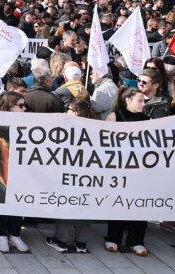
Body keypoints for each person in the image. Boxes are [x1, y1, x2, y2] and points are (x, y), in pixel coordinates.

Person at [104, 87, 149, 256]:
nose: (143, 104)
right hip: (118, 170)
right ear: (128, 100)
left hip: (140, 171)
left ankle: (136, 240)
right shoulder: (114, 117)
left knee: (139, 205)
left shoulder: (147, 119)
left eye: (144, 101)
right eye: (140, 100)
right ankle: (113, 238)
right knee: (117, 203)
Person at [45, 99, 93, 253]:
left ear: (76, 112)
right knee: (84, 205)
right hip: (88, 176)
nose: (66, 111)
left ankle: (61, 240)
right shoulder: (95, 128)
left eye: (69, 108)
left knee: (66, 203)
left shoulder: (66, 127)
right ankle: (81, 242)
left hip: (68, 174)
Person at [0, 94, 30, 253]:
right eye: (20, 105)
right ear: (10, 106)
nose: (24, 108)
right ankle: (0, 234)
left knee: (18, 200)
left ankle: (15, 234)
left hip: (21, 168)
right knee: (2, 199)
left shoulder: (27, 122)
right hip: (2, 167)